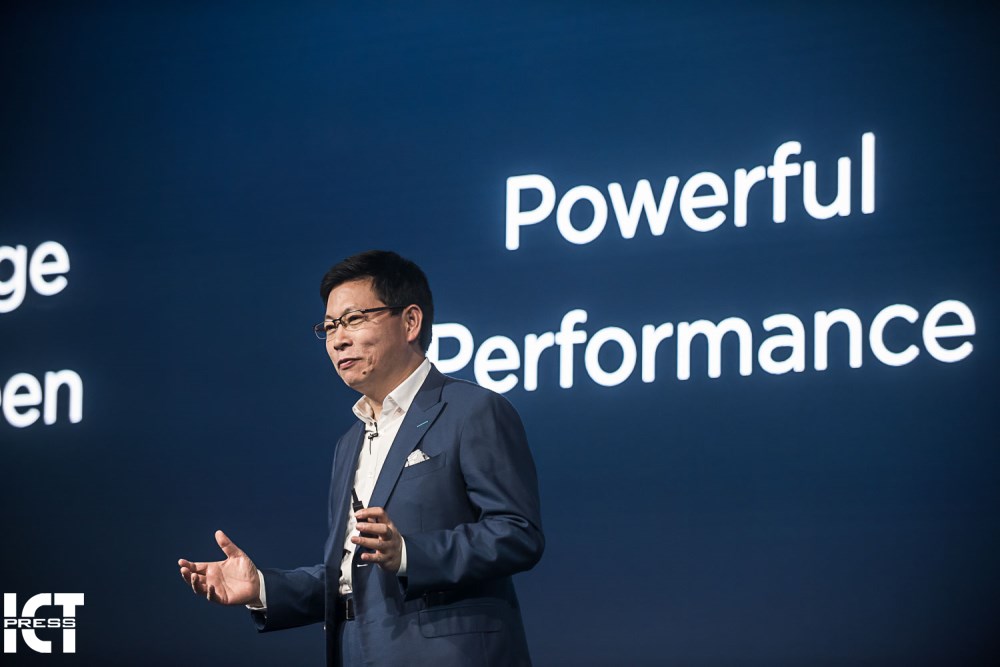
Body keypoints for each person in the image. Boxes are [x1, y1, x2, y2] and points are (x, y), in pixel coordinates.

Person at [178, 250, 544, 666]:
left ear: (410, 321)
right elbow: (354, 572)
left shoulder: (471, 410)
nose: (338, 339)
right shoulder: (348, 442)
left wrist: (409, 554)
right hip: (358, 650)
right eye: (330, 326)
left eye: (353, 319)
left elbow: (517, 533)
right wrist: (262, 587)